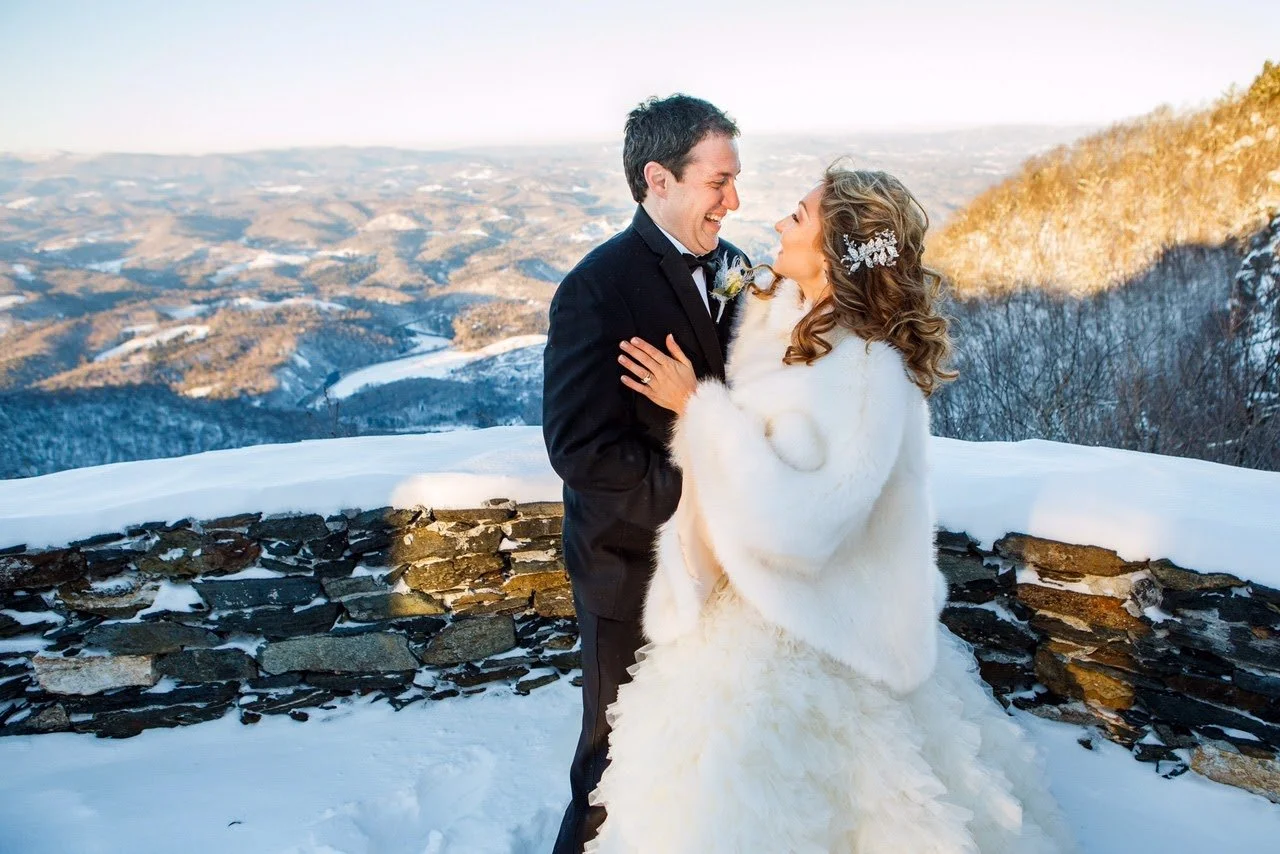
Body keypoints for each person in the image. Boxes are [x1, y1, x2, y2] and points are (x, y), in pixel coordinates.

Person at [588, 167, 1078, 853]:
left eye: (799, 216)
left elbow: (810, 524)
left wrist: (697, 408)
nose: (781, 223)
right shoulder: (788, 320)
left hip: (815, 631)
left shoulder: (869, 370)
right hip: (748, 609)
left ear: (837, 250)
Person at [542, 94, 752, 854]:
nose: (735, 200)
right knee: (613, 761)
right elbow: (579, 448)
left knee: (692, 750)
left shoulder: (733, 269)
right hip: (628, 568)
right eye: (718, 182)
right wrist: (694, 498)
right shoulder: (594, 291)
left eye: (734, 181)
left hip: (726, 570)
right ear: (658, 179)